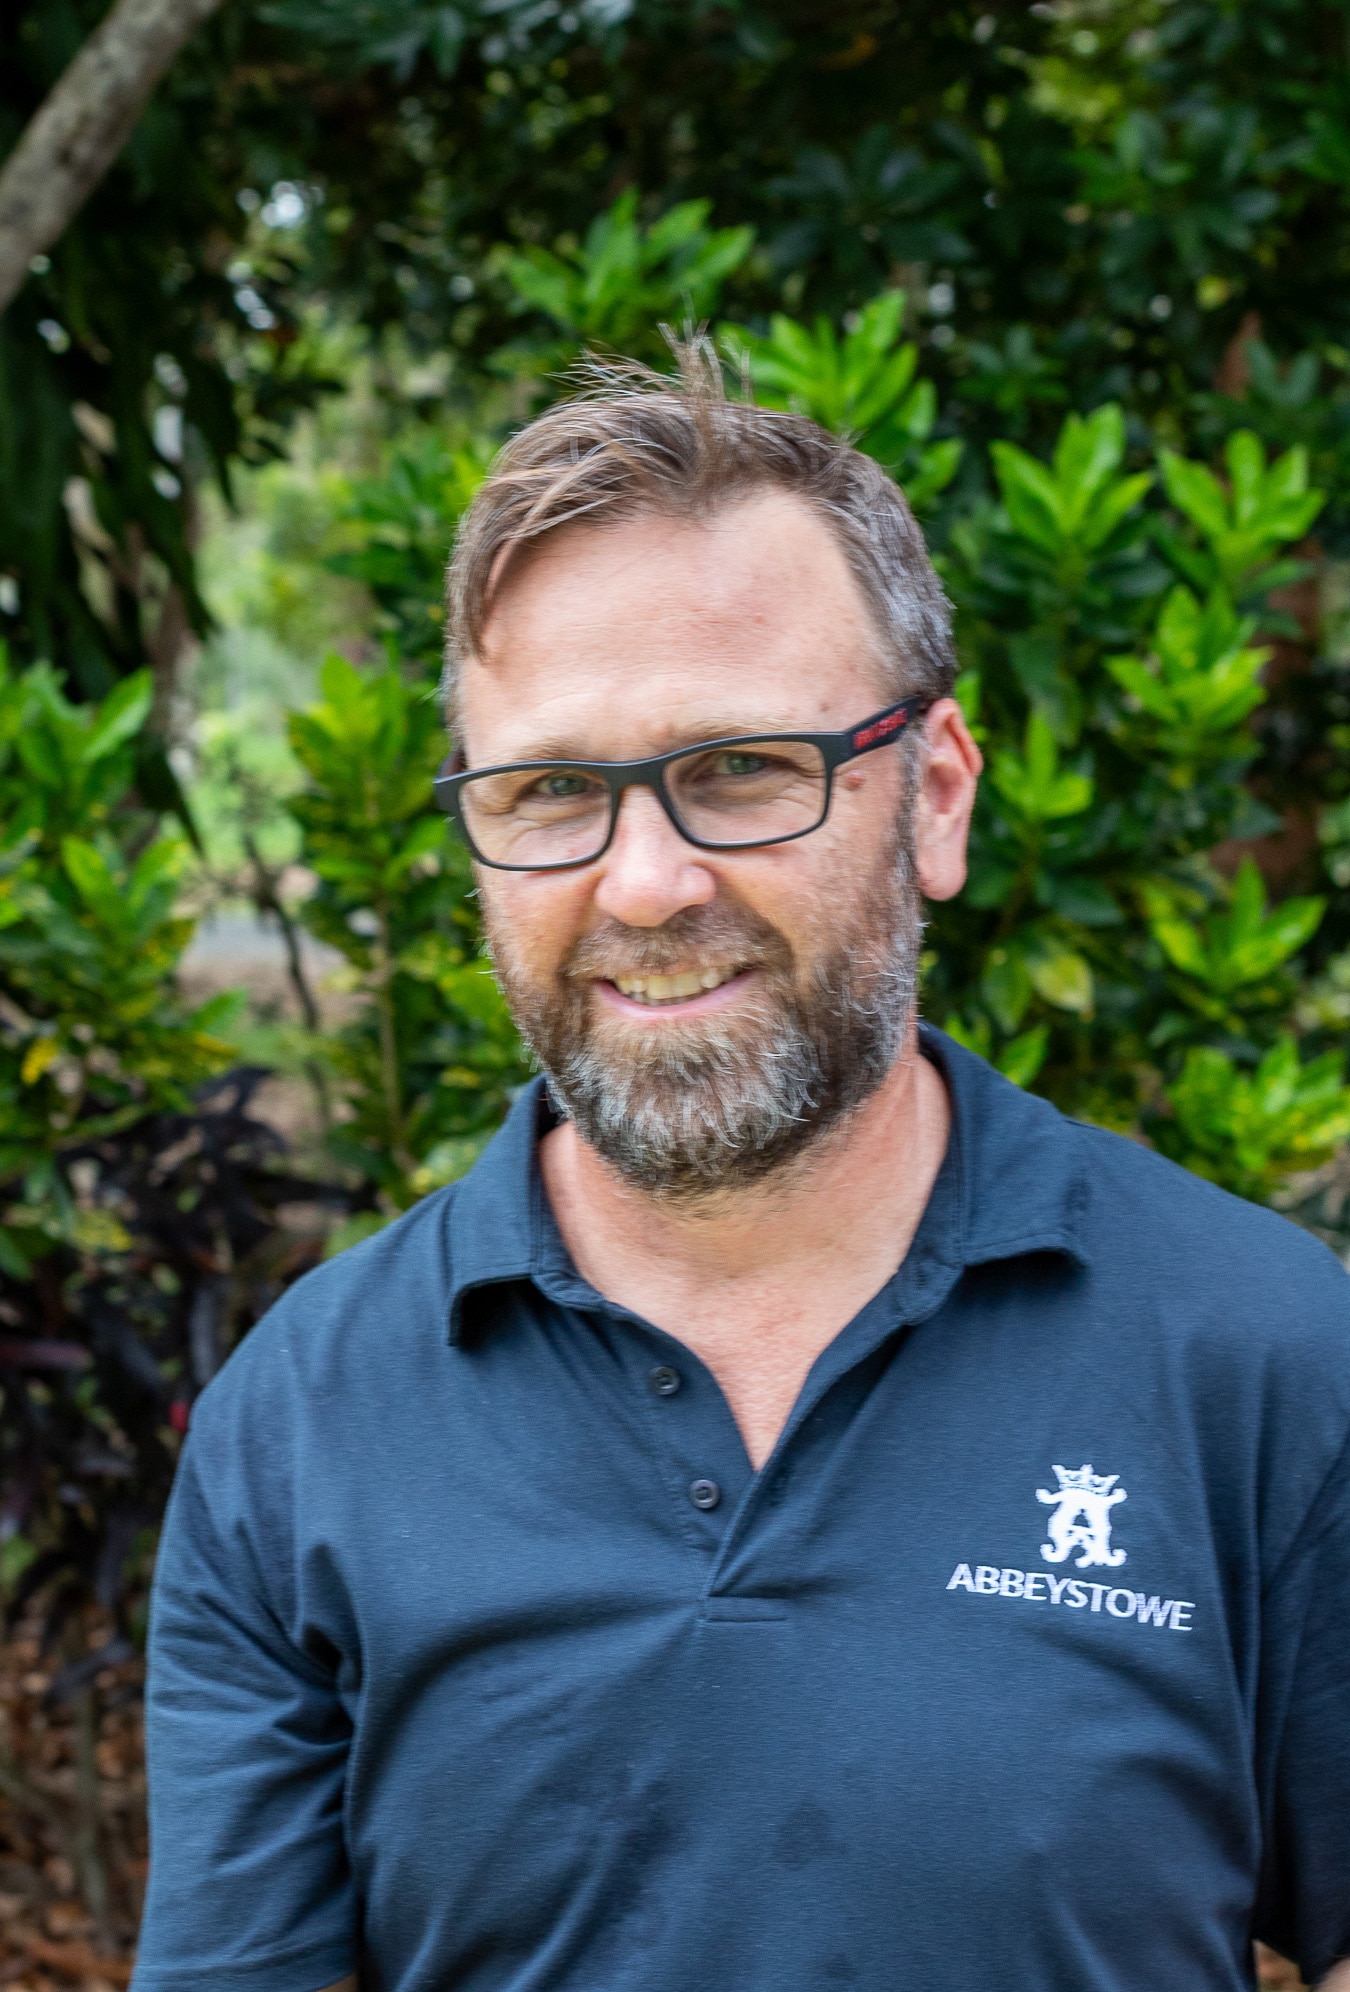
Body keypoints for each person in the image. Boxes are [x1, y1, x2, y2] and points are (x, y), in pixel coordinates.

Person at [133, 352, 1350, 1992]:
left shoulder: (1263, 1355)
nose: (642, 884)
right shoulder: (305, 1423)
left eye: (741, 770)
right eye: (553, 790)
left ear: (931, 797)